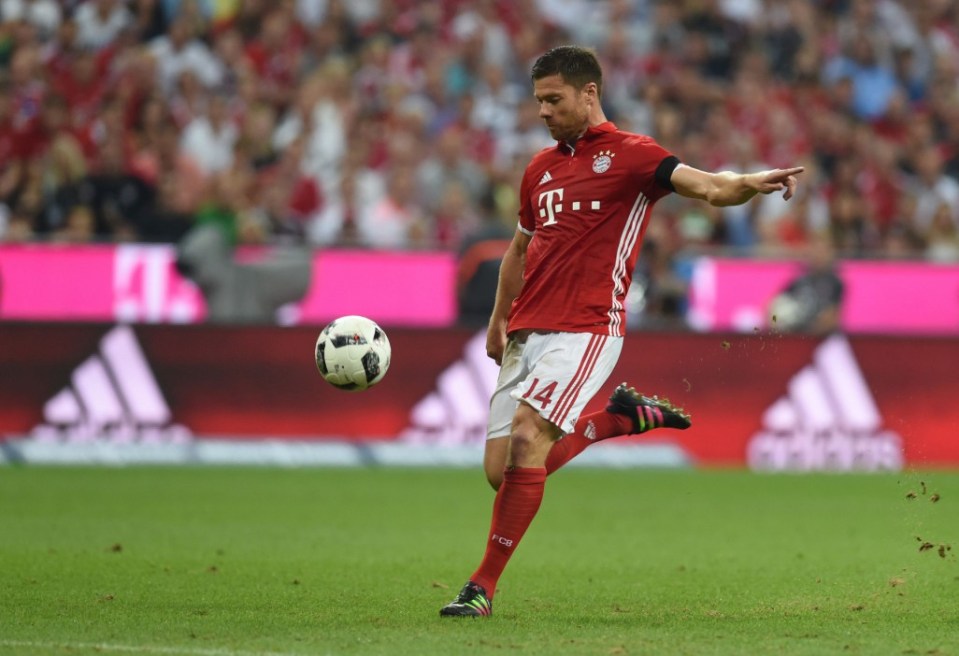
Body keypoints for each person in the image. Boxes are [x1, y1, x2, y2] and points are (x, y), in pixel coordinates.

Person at [439, 46, 803, 618]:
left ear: (590, 94)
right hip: (527, 328)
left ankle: (481, 587)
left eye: (554, 99)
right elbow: (518, 248)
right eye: (538, 101)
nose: (543, 111)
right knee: (500, 472)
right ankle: (618, 419)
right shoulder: (539, 168)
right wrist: (497, 317)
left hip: (586, 327)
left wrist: (749, 183)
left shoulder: (634, 156)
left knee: (529, 439)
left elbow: (707, 186)